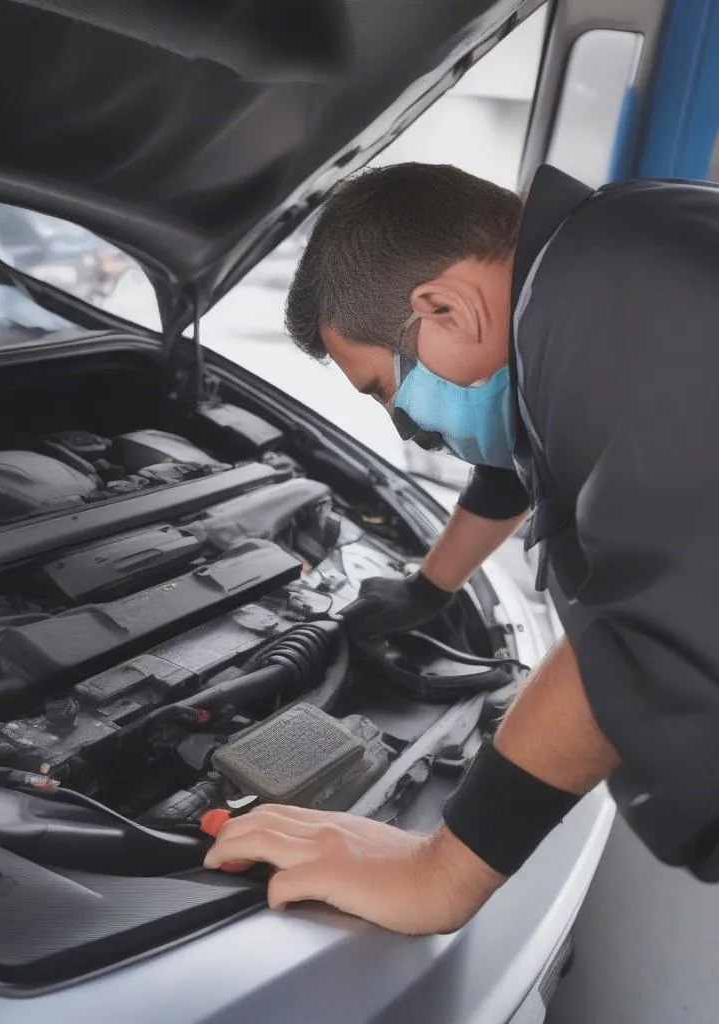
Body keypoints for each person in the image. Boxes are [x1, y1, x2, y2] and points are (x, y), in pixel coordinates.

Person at [202, 162, 719, 934]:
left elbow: (654, 629)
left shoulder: (619, 306)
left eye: (385, 389)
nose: (406, 428)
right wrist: (430, 587)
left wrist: (439, 871)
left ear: (442, 305)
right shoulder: (612, 256)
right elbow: (526, 459)